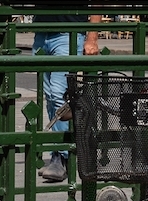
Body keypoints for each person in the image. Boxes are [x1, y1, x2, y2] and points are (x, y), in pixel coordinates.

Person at [32, 12, 99, 184]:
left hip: (68, 33)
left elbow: (97, 0)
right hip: (41, 31)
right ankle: (59, 152)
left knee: (58, 95)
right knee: (49, 95)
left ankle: (62, 156)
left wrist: (91, 38)